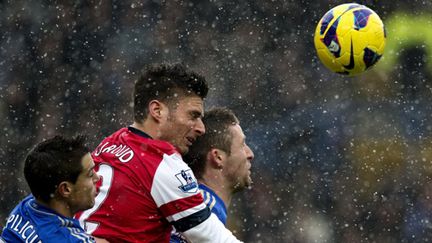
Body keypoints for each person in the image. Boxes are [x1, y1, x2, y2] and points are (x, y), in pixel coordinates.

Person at [77, 63, 242, 242]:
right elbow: (211, 236)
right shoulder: (164, 162)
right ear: (157, 111)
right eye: (193, 116)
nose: (201, 128)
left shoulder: (111, 142)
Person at [171, 107, 254, 242]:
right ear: (218, 157)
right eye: (242, 145)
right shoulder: (201, 208)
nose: (250, 154)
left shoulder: (198, 205)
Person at [1, 135, 100, 243]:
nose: (97, 177)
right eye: (90, 174)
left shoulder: (25, 207)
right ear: (66, 189)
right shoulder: (72, 240)